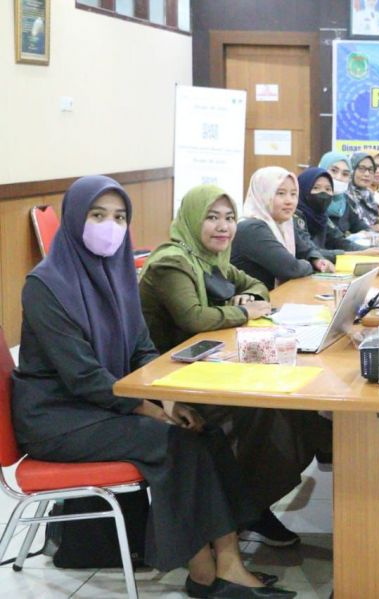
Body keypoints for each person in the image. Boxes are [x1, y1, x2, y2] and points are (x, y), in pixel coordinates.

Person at [11, 176, 294, 598]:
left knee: (205, 431)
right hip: (58, 416)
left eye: (119, 217)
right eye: (97, 215)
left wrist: (169, 400)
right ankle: (206, 572)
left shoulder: (118, 272)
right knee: (175, 443)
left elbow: (142, 349)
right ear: (74, 219)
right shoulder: (46, 285)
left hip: (105, 403)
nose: (110, 227)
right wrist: (148, 409)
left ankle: (227, 558)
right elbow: (82, 376)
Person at [140, 185, 326, 549]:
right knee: (267, 412)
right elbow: (194, 317)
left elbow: (256, 285)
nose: (223, 227)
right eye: (211, 217)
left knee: (293, 411)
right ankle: (248, 508)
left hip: (203, 365)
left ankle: (250, 504)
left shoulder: (213, 258)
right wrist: (243, 311)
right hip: (167, 379)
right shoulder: (172, 262)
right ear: (192, 219)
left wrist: (249, 297)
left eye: (229, 218)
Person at [230, 166, 334, 290]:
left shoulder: (284, 223)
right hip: (254, 299)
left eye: (293, 194)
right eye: (281, 193)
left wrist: (317, 260)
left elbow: (306, 250)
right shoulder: (252, 228)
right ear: (263, 194)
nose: (289, 201)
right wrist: (310, 265)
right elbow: (291, 269)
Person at [296, 167, 379, 263]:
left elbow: (339, 241)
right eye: (316, 188)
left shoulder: (322, 217)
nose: (323, 193)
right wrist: (360, 254)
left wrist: (373, 250)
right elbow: (311, 253)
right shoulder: (295, 217)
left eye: (328, 189)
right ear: (303, 189)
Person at [319, 151, 368, 236]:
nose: (338, 177)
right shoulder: (314, 200)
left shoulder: (346, 201)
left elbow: (360, 225)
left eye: (345, 174)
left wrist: (367, 233)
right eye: (334, 171)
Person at [347, 152, 379, 229]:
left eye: (370, 169)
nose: (367, 174)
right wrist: (370, 229)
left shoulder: (369, 195)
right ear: (352, 170)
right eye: (362, 169)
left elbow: (372, 220)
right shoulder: (345, 196)